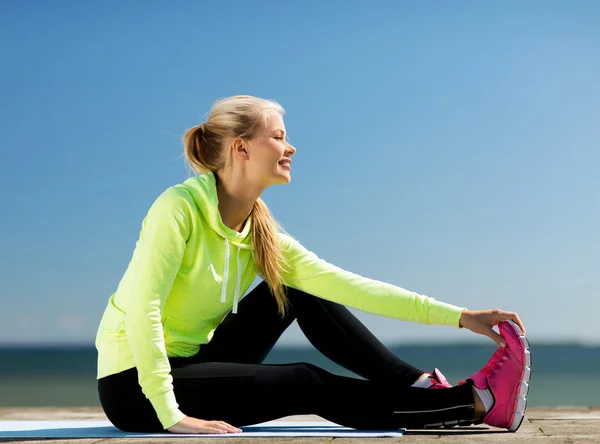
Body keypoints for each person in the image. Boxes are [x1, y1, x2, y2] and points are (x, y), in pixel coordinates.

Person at [95, 95, 530, 435]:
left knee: (305, 289)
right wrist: (171, 415)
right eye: (279, 136)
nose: (291, 147)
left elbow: (351, 287)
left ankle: (418, 386)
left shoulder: (262, 233)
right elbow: (144, 306)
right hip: (135, 387)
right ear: (241, 148)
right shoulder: (179, 208)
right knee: (305, 381)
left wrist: (460, 316)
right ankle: (475, 403)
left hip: (195, 360)